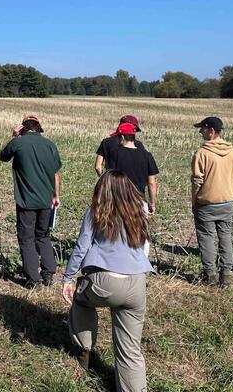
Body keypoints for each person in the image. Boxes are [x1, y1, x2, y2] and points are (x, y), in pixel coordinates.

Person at [62, 171, 152, 392]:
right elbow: (145, 246)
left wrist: (68, 277)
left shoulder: (96, 211)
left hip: (104, 281)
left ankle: (84, 349)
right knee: (130, 349)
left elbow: (82, 247)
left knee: (81, 300)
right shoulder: (140, 209)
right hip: (137, 284)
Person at [0, 115, 61, 287]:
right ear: (39, 127)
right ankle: (48, 272)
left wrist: (13, 136)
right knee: (43, 235)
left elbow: (2, 156)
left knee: (26, 239)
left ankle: (33, 278)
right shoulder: (49, 144)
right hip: (47, 200)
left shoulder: (18, 143)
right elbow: (56, 173)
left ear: (23, 128)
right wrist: (56, 195)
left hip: (26, 201)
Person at [191, 116, 233, 287]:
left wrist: (194, 200)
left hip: (206, 203)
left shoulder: (202, 153)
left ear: (211, 131)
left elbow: (197, 180)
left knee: (206, 238)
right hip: (227, 202)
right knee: (225, 236)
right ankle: (226, 275)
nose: (200, 131)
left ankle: (210, 275)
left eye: (203, 129)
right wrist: (232, 192)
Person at [106, 122, 159, 257]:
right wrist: (152, 203)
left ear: (122, 137)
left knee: (119, 231)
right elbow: (152, 183)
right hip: (140, 200)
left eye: (118, 137)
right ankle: (142, 261)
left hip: (119, 199)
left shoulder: (115, 153)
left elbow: (110, 177)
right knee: (142, 232)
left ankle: (121, 258)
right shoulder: (147, 155)